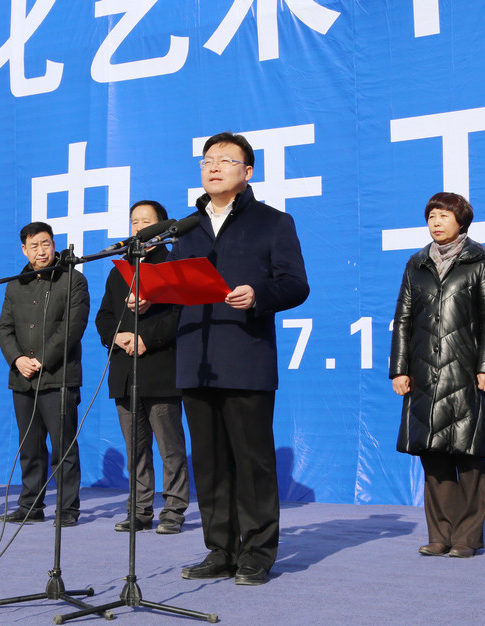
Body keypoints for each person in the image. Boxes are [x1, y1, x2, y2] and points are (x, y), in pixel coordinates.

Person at [155, 132, 309, 585]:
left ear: (248, 171)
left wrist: (258, 294)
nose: (214, 167)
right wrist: (150, 299)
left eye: (225, 159)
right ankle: (220, 549)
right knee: (209, 463)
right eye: (207, 160)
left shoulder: (273, 222)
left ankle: (257, 553)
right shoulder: (185, 229)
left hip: (245, 358)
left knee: (252, 463)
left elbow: (296, 285)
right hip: (196, 359)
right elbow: (178, 291)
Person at [390, 192, 485, 559]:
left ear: (461, 221)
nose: (436, 223)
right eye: (432, 216)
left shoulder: (480, 263)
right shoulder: (416, 265)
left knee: (468, 455)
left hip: (465, 373)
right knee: (433, 455)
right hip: (423, 374)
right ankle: (440, 535)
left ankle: (467, 537)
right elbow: (403, 320)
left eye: (444, 216)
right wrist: (399, 369)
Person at [95, 200, 189, 535]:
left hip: (161, 368)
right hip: (125, 369)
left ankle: (174, 510)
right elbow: (104, 316)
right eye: (134, 221)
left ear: (162, 227)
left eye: (146, 221)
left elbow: (181, 315)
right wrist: (116, 336)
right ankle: (139, 509)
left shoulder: (173, 264)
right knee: (136, 449)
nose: (139, 228)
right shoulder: (120, 268)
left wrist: (146, 338)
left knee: (170, 447)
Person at [0, 222, 89, 526]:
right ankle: (30, 506)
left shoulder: (72, 279)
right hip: (22, 378)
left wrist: (41, 360)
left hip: (58, 376)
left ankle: (67, 509)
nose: (41, 251)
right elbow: (5, 328)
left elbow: (72, 327)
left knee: (63, 447)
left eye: (46, 244)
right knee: (29, 446)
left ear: (54, 245)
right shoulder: (15, 284)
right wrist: (17, 360)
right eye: (34, 246)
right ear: (24, 249)